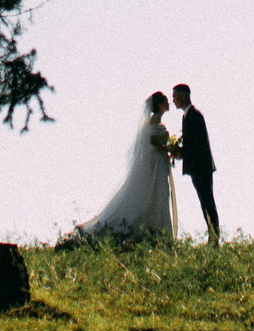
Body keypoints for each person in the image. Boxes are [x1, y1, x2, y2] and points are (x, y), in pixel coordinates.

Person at [68, 91, 176, 240]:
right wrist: (167, 149)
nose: (168, 103)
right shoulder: (155, 119)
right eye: (165, 100)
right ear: (159, 104)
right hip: (156, 161)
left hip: (158, 160)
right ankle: (156, 232)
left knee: (159, 193)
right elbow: (152, 140)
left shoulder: (155, 120)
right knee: (158, 193)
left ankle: (157, 232)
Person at [172, 82, 218, 243]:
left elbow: (196, 144)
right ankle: (213, 236)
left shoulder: (195, 115)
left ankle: (214, 238)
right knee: (204, 201)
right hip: (197, 167)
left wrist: (181, 152)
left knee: (207, 201)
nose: (173, 100)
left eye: (175, 96)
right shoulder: (187, 116)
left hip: (201, 167)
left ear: (183, 96)